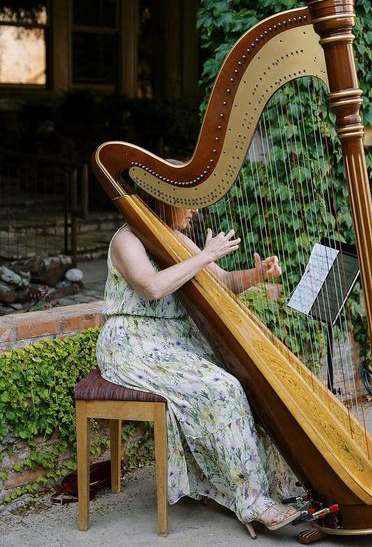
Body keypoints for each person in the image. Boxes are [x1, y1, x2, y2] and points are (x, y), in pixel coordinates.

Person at [96, 203, 301, 534]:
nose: (193, 211)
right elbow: (152, 287)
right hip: (134, 344)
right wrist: (205, 255)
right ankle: (252, 501)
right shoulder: (127, 240)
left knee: (249, 379)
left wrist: (257, 274)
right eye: (187, 203)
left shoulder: (175, 238)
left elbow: (223, 282)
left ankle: (266, 483)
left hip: (174, 340)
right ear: (164, 201)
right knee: (223, 389)